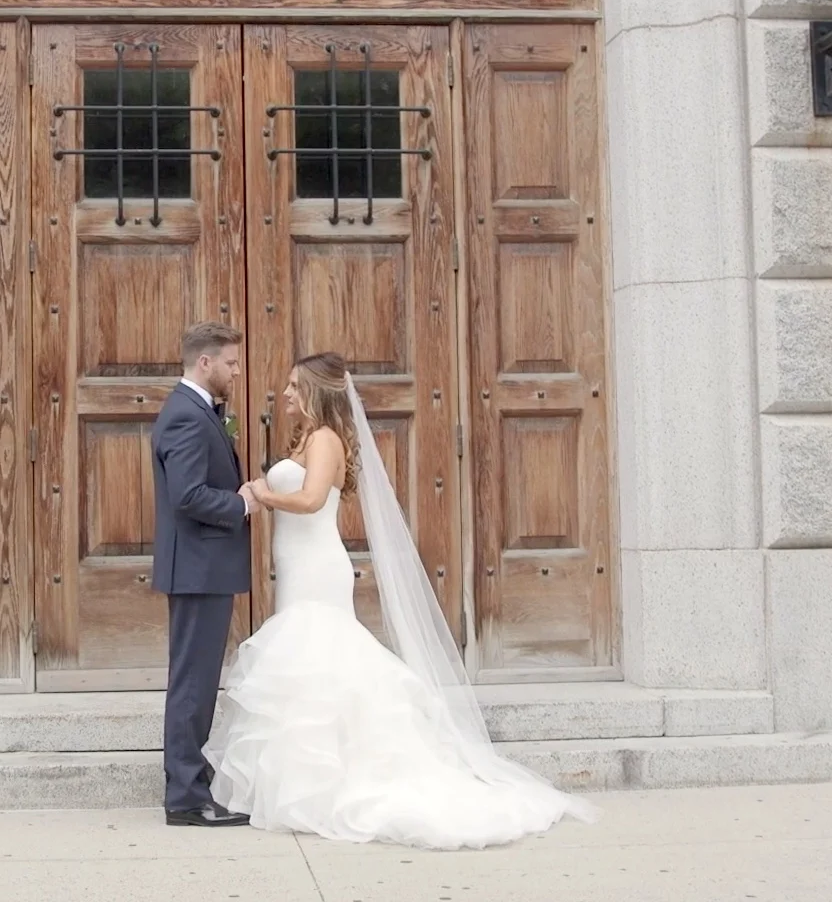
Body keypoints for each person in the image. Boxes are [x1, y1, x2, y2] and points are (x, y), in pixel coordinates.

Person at [205, 351, 599, 849]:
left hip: (317, 571)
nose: (284, 393)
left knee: (316, 658)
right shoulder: (306, 436)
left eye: (293, 386)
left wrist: (262, 495)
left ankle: (327, 783)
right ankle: (305, 782)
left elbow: (309, 500)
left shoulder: (325, 439)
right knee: (308, 666)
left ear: (316, 392)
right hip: (297, 569)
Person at [149, 321, 255, 827]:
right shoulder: (187, 417)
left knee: (198, 681)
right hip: (197, 567)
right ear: (205, 362)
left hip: (202, 567)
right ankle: (187, 797)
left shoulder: (196, 411)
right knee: (193, 684)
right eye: (231, 363)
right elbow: (187, 495)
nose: (237, 371)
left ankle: (193, 784)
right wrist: (242, 503)